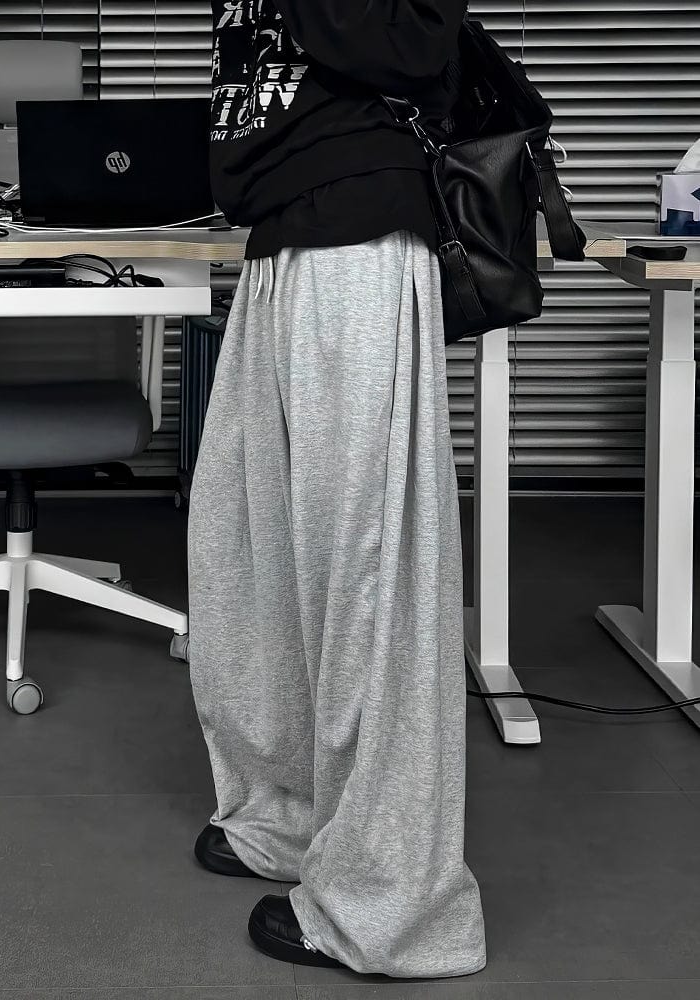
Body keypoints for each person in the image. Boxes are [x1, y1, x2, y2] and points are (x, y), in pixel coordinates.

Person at [188, 0, 486, 979]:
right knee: (251, 558)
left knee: (369, 579)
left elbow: (420, 38)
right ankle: (292, 815)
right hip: (278, 231)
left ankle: (392, 907)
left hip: (362, 230)